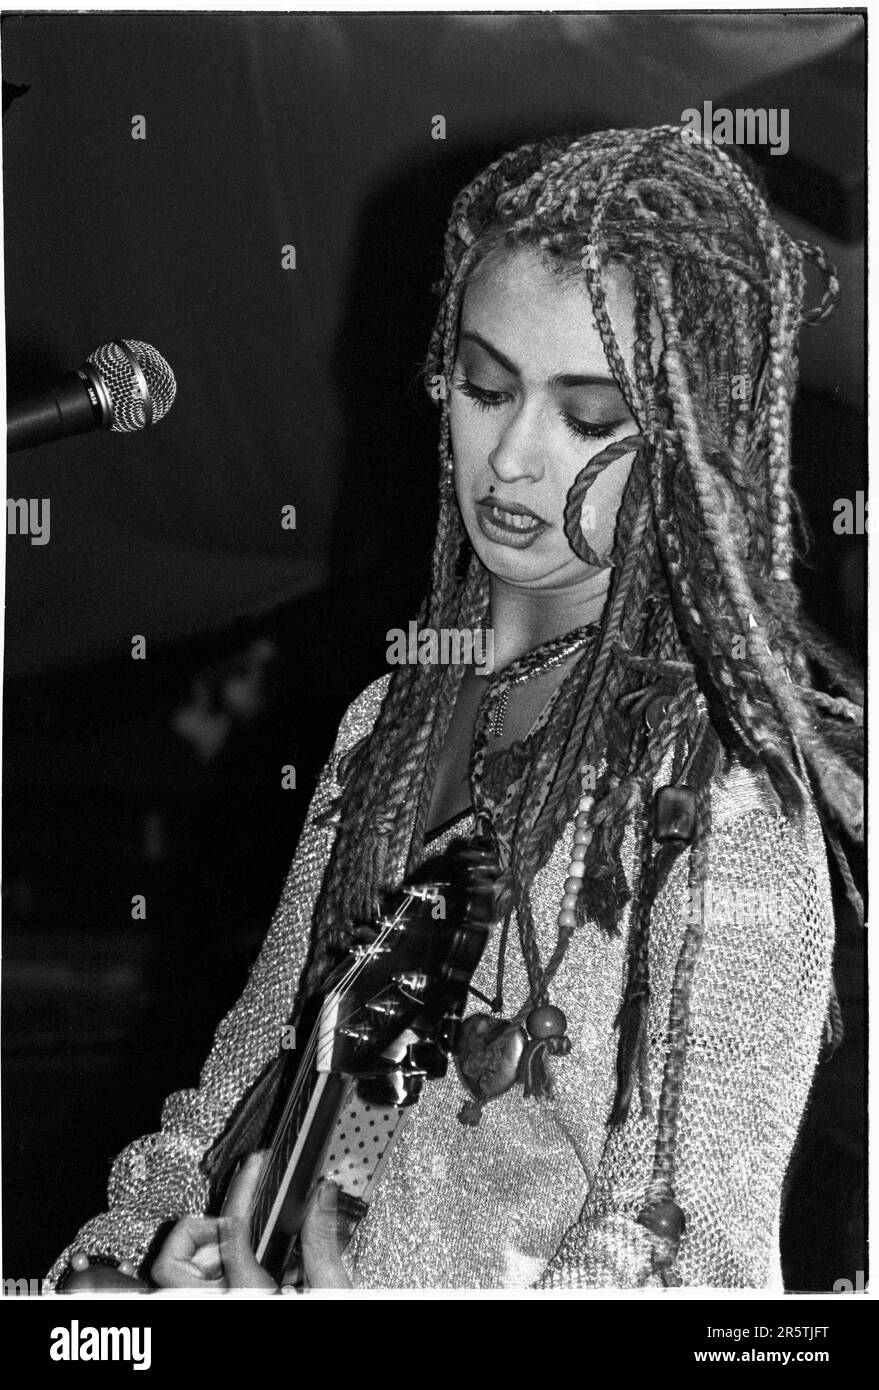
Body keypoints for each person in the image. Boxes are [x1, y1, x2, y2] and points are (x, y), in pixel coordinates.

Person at [47, 125, 863, 1292]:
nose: (514, 458)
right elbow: (242, 1079)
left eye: (588, 415)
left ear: (690, 441)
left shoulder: (722, 794)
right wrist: (119, 1269)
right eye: (485, 388)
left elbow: (689, 1262)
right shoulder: (391, 723)